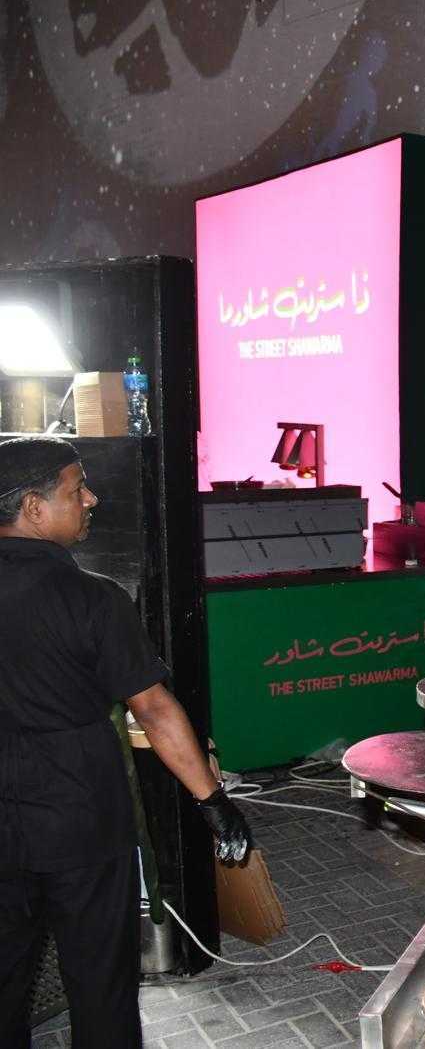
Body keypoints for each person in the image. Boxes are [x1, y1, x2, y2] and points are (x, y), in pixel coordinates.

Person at [0, 437, 253, 1049]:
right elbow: (155, 710)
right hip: (81, 815)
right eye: (76, 489)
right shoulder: (92, 598)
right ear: (33, 507)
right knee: (101, 984)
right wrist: (213, 800)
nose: (91, 499)